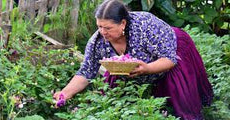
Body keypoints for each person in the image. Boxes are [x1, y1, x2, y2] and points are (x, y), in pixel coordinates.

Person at [53, 0, 213, 119]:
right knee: (115, 96)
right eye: (99, 26)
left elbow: (169, 59)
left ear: (123, 23)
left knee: (182, 102)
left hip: (172, 52)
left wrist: (147, 69)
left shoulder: (145, 26)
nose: (102, 32)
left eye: (107, 28)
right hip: (140, 67)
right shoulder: (97, 42)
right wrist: (65, 93)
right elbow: (86, 72)